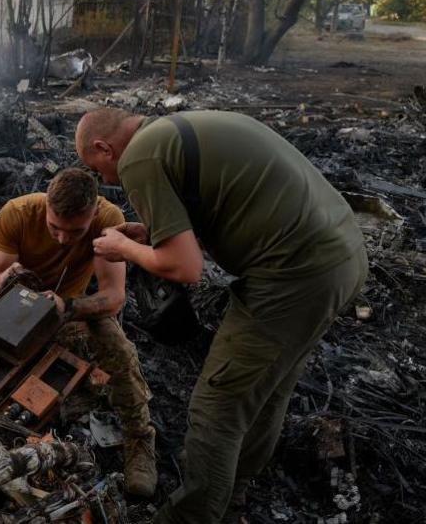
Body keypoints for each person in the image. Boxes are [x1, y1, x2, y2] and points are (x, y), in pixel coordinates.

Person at [75, 108, 368, 524]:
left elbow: (186, 269)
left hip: (292, 277)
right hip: (340, 259)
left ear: (104, 147)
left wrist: (124, 251)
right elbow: (220, 207)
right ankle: (231, 496)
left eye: (96, 167)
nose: (105, 180)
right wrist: (148, 234)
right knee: (264, 393)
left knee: (216, 408)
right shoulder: (174, 128)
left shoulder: (139, 157)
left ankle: (192, 515)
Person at [0, 168, 158, 497]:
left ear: (93, 214)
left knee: (120, 353)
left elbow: (113, 296)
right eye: (55, 227)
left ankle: (139, 440)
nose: (63, 239)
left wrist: (68, 306)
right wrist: (1, 283)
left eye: (75, 231)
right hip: (13, 305)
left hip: (69, 313)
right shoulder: (18, 213)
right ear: (45, 206)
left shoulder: (108, 219)